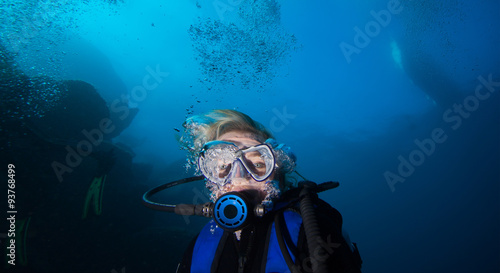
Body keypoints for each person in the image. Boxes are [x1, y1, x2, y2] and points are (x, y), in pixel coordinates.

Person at [175, 109, 362, 273]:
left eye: (257, 163)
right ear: (209, 177)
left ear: (277, 176)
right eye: (224, 165)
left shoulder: (313, 230)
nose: (239, 176)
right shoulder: (199, 246)